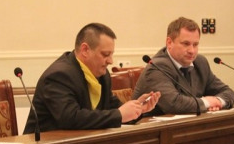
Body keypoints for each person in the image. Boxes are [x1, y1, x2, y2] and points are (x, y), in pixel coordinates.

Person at [24, 23, 160, 134]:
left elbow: (115, 110)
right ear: (85, 50)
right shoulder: (59, 75)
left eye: (111, 54)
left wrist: (138, 109)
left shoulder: (102, 75)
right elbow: (70, 118)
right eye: (105, 54)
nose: (111, 61)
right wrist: (119, 114)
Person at [132, 17, 234, 114]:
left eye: (195, 44)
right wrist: (207, 102)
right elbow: (174, 104)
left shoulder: (200, 62)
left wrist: (218, 101)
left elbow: (228, 92)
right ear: (169, 43)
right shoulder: (157, 67)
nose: (192, 51)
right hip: (153, 126)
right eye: (186, 44)